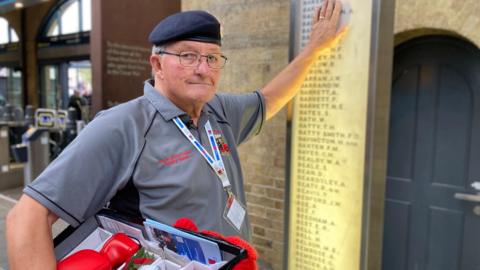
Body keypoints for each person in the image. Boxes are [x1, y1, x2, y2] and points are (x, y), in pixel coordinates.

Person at [6, 1, 346, 269]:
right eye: (188, 56)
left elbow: (270, 99)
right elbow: (27, 216)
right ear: (157, 64)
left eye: (213, 57)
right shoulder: (124, 124)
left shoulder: (219, 111)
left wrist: (314, 48)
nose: (203, 68)